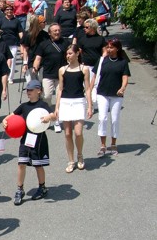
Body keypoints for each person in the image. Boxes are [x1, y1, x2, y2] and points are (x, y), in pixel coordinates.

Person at [3, 81, 55, 206]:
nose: (28, 92)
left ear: (39, 91)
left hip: (39, 139)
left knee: (38, 165)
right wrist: (5, 121)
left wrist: (49, 117)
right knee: (21, 163)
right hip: (26, 139)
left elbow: (53, 115)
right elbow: (11, 116)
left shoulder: (43, 105)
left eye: (31, 90)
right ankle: (19, 190)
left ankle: (42, 187)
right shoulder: (24, 106)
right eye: (27, 90)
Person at [55, 45, 92, 173]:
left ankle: (80, 155)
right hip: (65, 102)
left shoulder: (84, 69)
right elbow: (60, 89)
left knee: (78, 132)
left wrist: (90, 106)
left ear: (77, 54)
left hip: (78, 101)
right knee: (67, 133)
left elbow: (87, 88)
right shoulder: (62, 70)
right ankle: (71, 160)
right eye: (67, 54)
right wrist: (57, 107)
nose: (68, 56)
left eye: (70, 53)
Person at [91, 38, 130, 157]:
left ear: (117, 48)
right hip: (102, 93)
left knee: (114, 119)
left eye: (111, 47)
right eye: (107, 47)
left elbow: (125, 77)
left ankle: (113, 144)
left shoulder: (123, 62)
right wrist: (90, 89)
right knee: (102, 118)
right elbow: (95, 75)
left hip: (116, 95)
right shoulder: (102, 60)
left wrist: (122, 88)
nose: (109, 49)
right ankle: (103, 145)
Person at [32, 23, 71, 133]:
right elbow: (38, 58)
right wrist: (35, 66)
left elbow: (71, 55)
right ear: (49, 33)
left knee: (60, 98)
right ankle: (49, 115)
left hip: (62, 75)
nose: (57, 32)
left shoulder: (66, 43)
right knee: (47, 97)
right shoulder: (43, 44)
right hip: (48, 74)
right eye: (55, 31)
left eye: (59, 30)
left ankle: (57, 121)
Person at [0, 4, 24, 84]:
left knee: (12, 60)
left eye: (10, 9)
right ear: (5, 11)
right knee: (3, 60)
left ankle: (10, 77)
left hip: (13, 43)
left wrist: (23, 41)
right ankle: (3, 75)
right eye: (7, 9)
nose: (9, 11)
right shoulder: (1, 20)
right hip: (3, 43)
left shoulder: (16, 21)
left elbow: (20, 31)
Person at [21, 15, 49, 82]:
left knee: (41, 81)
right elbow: (25, 49)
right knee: (32, 83)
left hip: (43, 61)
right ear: (38, 24)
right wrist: (25, 63)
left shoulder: (46, 35)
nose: (46, 23)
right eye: (44, 22)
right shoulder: (28, 34)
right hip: (31, 60)